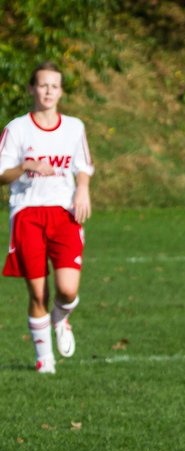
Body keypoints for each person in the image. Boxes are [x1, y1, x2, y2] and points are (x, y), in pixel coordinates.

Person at [0, 62, 94, 374]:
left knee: (67, 290)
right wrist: (24, 166)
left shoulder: (74, 127)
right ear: (31, 89)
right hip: (27, 214)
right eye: (42, 85)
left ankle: (60, 317)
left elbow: (83, 165)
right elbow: (1, 173)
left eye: (54, 86)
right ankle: (45, 359)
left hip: (64, 213)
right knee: (38, 292)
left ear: (61, 91)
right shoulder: (17, 129)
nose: (48, 91)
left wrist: (82, 190)